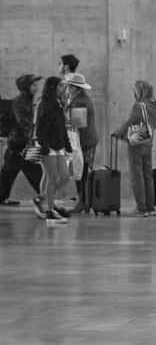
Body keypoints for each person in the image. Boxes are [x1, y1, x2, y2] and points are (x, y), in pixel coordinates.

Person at [112, 80, 156, 218]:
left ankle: (141, 207)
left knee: (136, 175)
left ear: (139, 91)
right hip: (148, 141)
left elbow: (129, 122)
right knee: (147, 174)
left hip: (137, 142)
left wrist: (118, 133)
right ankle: (150, 206)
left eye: (134, 90)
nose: (133, 93)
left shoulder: (139, 106)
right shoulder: (153, 106)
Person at [60, 59, 97, 214]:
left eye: (68, 86)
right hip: (84, 141)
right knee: (81, 171)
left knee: (81, 172)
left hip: (84, 142)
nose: (66, 89)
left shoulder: (80, 102)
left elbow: (77, 124)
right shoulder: (76, 100)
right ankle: (84, 200)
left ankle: (83, 201)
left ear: (75, 88)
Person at [34, 77, 72, 225]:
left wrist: (67, 145)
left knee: (65, 176)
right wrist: (44, 145)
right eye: (61, 87)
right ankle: (50, 210)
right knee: (52, 177)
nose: (63, 89)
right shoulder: (44, 105)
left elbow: (62, 128)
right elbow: (40, 128)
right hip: (47, 147)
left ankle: (42, 199)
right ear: (53, 88)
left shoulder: (58, 104)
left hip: (59, 146)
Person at [0, 75, 42, 206]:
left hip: (21, 143)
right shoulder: (19, 102)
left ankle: (46, 195)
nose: (37, 87)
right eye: (34, 85)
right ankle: (46, 195)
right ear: (26, 87)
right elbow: (23, 121)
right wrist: (35, 135)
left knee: (12, 171)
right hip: (19, 143)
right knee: (27, 171)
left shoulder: (28, 100)